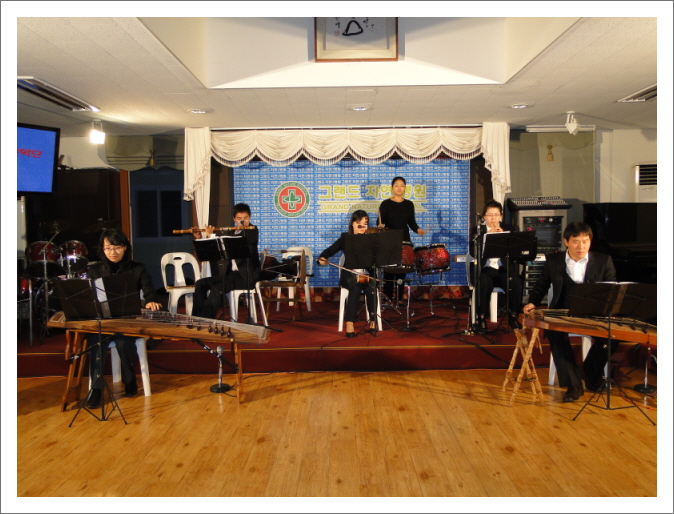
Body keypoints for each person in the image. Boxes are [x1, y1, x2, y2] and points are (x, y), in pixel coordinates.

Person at [523, 221, 618, 402]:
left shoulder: (603, 261)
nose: (581, 246)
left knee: (613, 336)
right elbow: (541, 285)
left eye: (585, 241)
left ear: (590, 241)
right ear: (566, 241)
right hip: (562, 311)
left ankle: (588, 373)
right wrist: (532, 302)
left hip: (593, 312)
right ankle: (574, 385)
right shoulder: (554, 261)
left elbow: (612, 290)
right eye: (576, 241)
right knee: (555, 334)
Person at [86, 229, 162, 408]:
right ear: (102, 249)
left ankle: (129, 380)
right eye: (108, 248)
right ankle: (96, 390)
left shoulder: (137, 268)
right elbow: (90, 297)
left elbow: (150, 291)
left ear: (125, 248)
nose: (113, 252)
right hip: (105, 322)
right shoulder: (95, 270)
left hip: (128, 321)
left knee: (123, 342)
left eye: (117, 247)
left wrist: (151, 301)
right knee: (96, 341)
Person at [190, 203, 261, 320]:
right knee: (200, 284)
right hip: (231, 276)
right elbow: (214, 247)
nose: (243, 221)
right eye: (239, 218)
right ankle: (196, 318)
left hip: (247, 277)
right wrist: (200, 237)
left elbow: (244, 242)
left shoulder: (252, 231)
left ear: (250, 217)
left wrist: (212, 235)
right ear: (234, 219)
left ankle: (205, 320)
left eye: (245, 218)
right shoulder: (231, 233)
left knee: (217, 288)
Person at [318, 210, 378, 337]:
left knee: (371, 288)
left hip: (367, 274)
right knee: (355, 287)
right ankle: (350, 323)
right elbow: (330, 250)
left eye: (365, 224)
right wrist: (322, 258)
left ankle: (373, 322)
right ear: (352, 224)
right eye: (359, 224)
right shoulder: (345, 238)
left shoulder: (371, 238)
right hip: (350, 276)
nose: (362, 227)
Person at [471, 199, 524, 332]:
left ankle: (513, 316)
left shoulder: (509, 229)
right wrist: (487, 237)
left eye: (496, 215)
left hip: (502, 269)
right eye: (490, 215)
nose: (493, 218)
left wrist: (503, 237)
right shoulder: (478, 230)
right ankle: (481, 317)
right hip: (485, 269)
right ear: (484, 216)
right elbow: (473, 252)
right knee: (483, 281)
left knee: (516, 282)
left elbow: (515, 252)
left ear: (501, 216)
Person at [377, 176, 426, 302]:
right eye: (396, 185)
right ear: (392, 187)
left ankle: (399, 298)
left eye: (402, 186)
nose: (399, 188)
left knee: (401, 269)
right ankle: (388, 297)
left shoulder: (409, 204)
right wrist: (380, 225)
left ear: (405, 188)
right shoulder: (385, 203)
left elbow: (411, 222)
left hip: (404, 239)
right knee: (389, 270)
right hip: (389, 240)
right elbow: (379, 221)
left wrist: (418, 230)